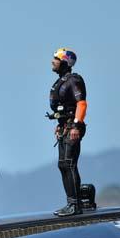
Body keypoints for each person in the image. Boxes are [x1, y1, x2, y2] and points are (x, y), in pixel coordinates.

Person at [48, 47, 88, 217]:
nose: (52, 61)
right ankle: (71, 201)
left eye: (56, 59)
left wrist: (76, 126)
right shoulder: (61, 80)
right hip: (65, 126)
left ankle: (75, 204)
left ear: (65, 62)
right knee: (63, 165)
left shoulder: (73, 80)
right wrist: (60, 123)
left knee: (69, 164)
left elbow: (81, 104)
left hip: (73, 127)